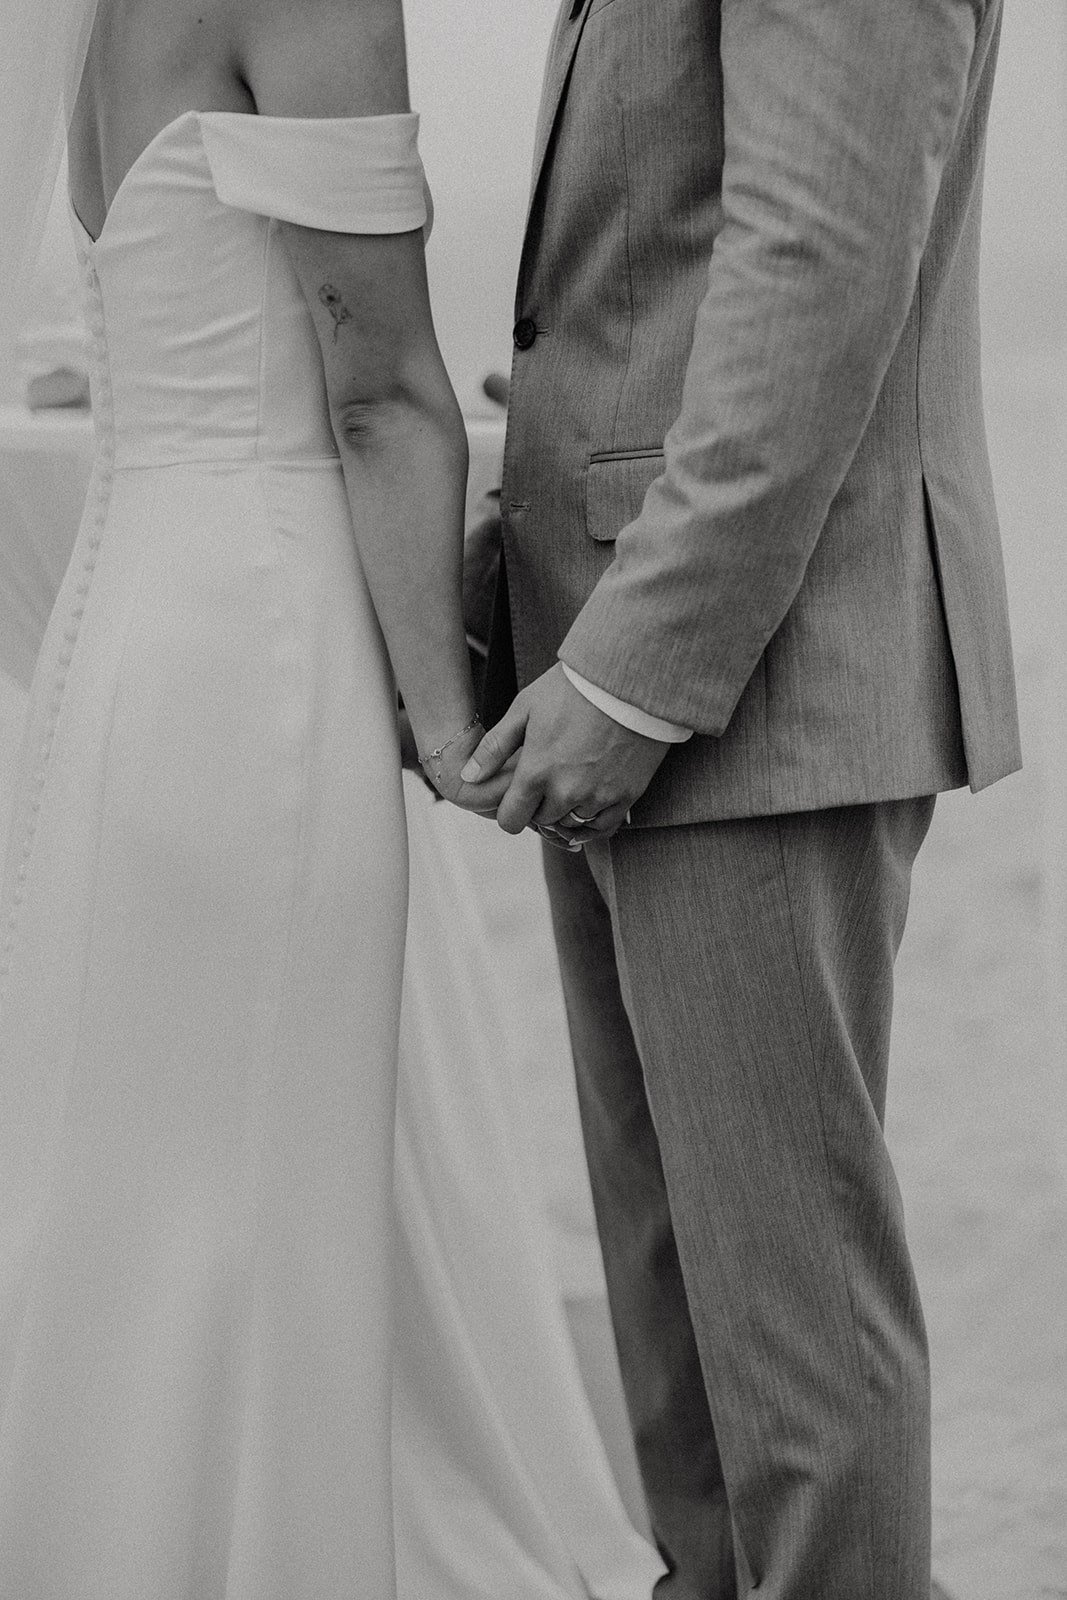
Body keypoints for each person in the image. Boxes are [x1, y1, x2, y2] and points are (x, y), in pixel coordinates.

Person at [0, 0, 664, 1595]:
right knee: (273, 1207)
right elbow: (382, 399)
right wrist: (447, 729)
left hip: (123, 637)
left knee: (139, 1202)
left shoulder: (100, 23)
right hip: (270, 651)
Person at [463, 2, 1021, 1597]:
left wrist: (635, 670)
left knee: (793, 1335)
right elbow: (651, 270)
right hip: (618, 644)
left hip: (753, 673)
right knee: (680, 1313)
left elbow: (818, 262)